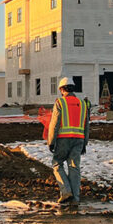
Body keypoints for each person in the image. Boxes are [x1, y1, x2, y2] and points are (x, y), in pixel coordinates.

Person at [46, 77, 90, 207]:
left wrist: (51, 141)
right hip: (79, 140)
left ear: (61, 89)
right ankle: (75, 198)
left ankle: (66, 192)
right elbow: (86, 125)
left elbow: (54, 123)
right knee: (74, 167)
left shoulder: (60, 102)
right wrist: (85, 143)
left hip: (63, 139)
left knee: (57, 163)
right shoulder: (83, 104)